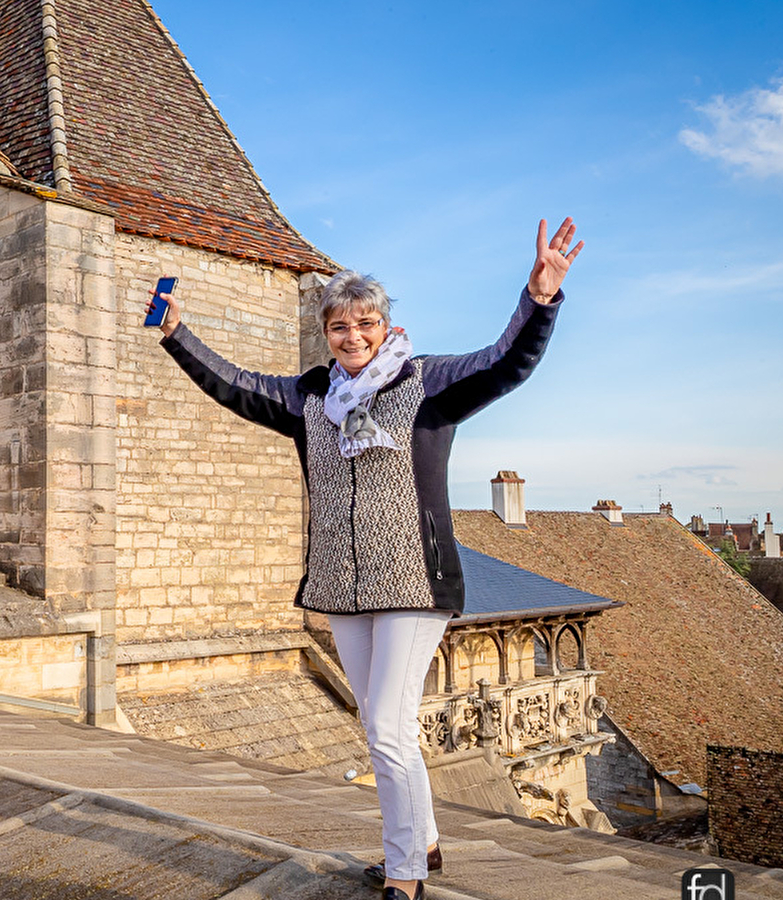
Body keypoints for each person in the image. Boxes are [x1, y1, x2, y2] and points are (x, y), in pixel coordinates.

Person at [152, 218, 582, 900]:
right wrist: (177, 334)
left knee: (386, 726)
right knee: (380, 727)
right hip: (342, 589)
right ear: (326, 334)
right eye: (339, 328)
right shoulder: (310, 398)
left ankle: (405, 871)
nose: (352, 338)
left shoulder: (426, 382)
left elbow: (506, 363)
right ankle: (426, 841)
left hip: (413, 583)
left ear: (384, 327)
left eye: (365, 324)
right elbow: (232, 385)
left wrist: (538, 302)